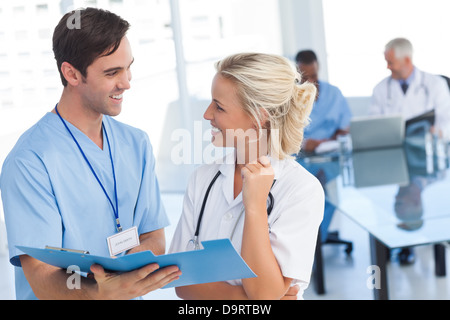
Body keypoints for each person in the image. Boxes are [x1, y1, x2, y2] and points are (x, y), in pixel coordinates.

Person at [0, 8, 181, 300]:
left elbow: (153, 236)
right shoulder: (30, 162)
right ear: (71, 73)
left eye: (128, 67)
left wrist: (125, 271)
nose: (126, 83)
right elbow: (43, 279)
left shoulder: (136, 143)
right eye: (112, 73)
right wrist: (102, 291)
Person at [169, 53, 325, 300]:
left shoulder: (301, 189)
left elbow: (264, 294)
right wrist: (246, 297)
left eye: (219, 106)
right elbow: (181, 282)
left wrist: (254, 208)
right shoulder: (202, 179)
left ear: (259, 117)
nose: (207, 114)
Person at [370, 38, 450, 140]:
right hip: (393, 147)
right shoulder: (380, 88)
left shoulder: (436, 83)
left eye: (391, 62)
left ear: (407, 60)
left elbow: (448, 120)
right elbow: (372, 125)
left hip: (427, 146)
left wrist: (438, 132)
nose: (388, 67)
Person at [295, 50, 352, 153]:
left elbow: (345, 128)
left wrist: (326, 142)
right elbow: (284, 136)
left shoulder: (334, 93)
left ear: (318, 68)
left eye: (313, 76)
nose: (311, 83)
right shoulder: (290, 99)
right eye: (305, 78)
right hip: (302, 155)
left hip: (332, 151)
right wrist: (303, 144)